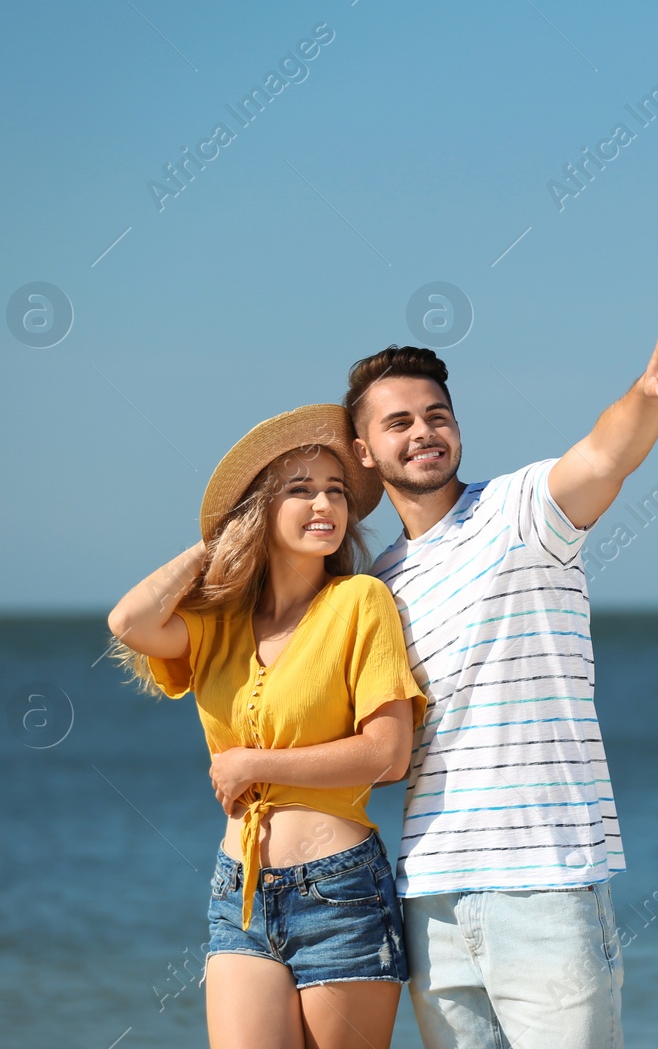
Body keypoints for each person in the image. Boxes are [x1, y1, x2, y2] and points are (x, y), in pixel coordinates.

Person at [342, 326, 658, 1048]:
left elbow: (605, 455)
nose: (424, 432)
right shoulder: (374, 588)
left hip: (546, 883)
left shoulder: (521, 512)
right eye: (399, 422)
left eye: (437, 415)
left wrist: (649, 392)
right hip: (431, 899)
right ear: (366, 451)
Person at [107, 404, 427, 1049]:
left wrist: (257, 766)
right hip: (240, 891)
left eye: (336, 491)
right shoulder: (220, 624)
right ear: (260, 509)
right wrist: (218, 540)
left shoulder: (359, 601)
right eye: (301, 490)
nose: (325, 506)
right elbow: (129, 621)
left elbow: (388, 754)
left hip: (341, 891)